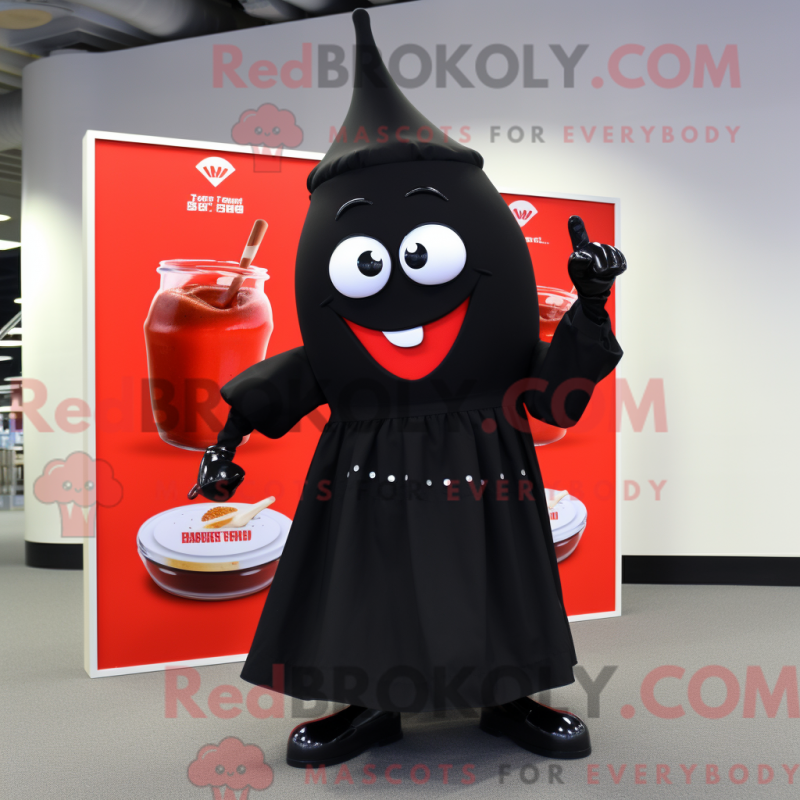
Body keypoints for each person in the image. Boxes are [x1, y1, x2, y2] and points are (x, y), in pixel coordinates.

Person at [189, 8, 625, 769]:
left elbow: (555, 386)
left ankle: (508, 695)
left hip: (485, 454)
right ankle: (373, 702)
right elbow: (295, 374)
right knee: (370, 583)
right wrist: (224, 447)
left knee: (497, 578)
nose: (397, 284)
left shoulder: (499, 323)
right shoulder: (337, 328)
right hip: (367, 463)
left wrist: (591, 306)